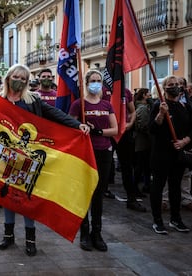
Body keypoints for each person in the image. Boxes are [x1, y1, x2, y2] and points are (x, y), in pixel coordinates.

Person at [0, 64, 90, 256]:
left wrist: (77, 124)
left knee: (27, 197)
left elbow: (55, 114)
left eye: (24, 79)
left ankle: (30, 240)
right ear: (8, 77)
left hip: (28, 156)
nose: (20, 81)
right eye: (17, 77)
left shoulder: (33, 100)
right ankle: (8, 236)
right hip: (6, 155)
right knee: (7, 197)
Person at [69, 69, 118, 252]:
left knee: (98, 193)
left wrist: (98, 132)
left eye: (98, 80)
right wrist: (80, 129)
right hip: (84, 153)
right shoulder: (78, 104)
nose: (96, 83)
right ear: (86, 83)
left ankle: (97, 233)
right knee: (85, 193)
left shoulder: (107, 105)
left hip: (103, 152)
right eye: (93, 80)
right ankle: (84, 233)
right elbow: (70, 126)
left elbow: (115, 129)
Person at [149, 75, 192, 234]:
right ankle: (157, 221)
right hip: (161, 153)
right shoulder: (159, 105)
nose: (175, 86)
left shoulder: (186, 107)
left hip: (179, 153)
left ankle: (176, 219)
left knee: (175, 186)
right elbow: (152, 129)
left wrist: (184, 142)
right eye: (171, 84)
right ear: (165, 88)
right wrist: (161, 114)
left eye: (177, 84)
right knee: (158, 186)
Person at [133, 88, 152, 195]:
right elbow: (143, 125)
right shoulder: (143, 108)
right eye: (148, 93)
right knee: (141, 166)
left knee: (144, 166)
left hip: (142, 141)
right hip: (142, 141)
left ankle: (146, 185)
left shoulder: (141, 107)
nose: (150, 95)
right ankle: (136, 187)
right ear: (144, 95)